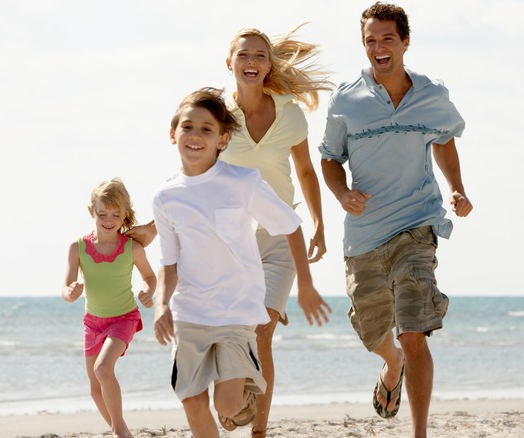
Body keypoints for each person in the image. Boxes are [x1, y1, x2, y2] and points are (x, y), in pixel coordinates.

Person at [319, 3, 473, 437]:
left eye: (387, 39)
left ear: (405, 42)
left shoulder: (432, 95)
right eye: (370, 40)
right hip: (364, 234)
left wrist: (457, 187)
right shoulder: (346, 99)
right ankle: (391, 363)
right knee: (374, 333)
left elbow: (443, 141)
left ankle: (418, 431)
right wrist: (342, 192)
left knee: (414, 330)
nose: (378, 47)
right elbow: (330, 158)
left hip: (416, 224)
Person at [151, 87, 331, 438]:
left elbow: (291, 227)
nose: (196, 136)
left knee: (227, 407)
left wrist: (306, 285)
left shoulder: (243, 182)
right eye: (188, 127)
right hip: (190, 313)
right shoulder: (165, 196)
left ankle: (243, 393)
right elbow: (168, 262)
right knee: (191, 400)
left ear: (223, 139)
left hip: (235, 313)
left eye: (207, 129)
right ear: (173, 134)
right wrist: (161, 305)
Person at [219, 25, 333, 438]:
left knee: (263, 330)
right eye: (244, 55)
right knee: (235, 330)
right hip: (230, 241)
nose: (251, 62)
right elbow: (194, 175)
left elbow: (304, 170)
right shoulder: (217, 115)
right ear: (228, 63)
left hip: (281, 236)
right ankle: (235, 393)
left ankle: (259, 431)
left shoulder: (289, 114)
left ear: (269, 66)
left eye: (260, 56)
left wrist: (319, 222)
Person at [61, 178, 157, 438]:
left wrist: (149, 292)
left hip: (123, 318)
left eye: (116, 214)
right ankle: (121, 430)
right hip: (92, 322)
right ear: (91, 212)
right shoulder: (78, 248)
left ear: (125, 214)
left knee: (103, 369)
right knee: (95, 388)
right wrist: (71, 292)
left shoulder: (132, 248)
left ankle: (120, 432)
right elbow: (66, 287)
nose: (109, 219)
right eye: (102, 213)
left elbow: (150, 277)